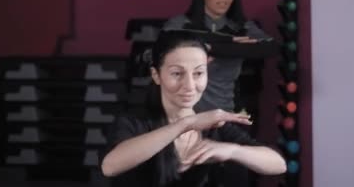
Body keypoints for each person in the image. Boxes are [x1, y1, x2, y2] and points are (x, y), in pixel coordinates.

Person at [100, 31, 286, 187]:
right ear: (156, 75)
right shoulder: (133, 121)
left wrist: (232, 151)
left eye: (198, 73)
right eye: (177, 73)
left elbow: (278, 164)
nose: (189, 85)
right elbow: (110, 166)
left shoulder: (214, 126)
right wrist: (186, 123)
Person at [161, 0, 278, 113]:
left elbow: (271, 47)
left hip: (224, 114)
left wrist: (214, 47)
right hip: (183, 116)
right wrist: (227, 42)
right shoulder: (180, 24)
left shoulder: (241, 27)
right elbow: (162, 47)